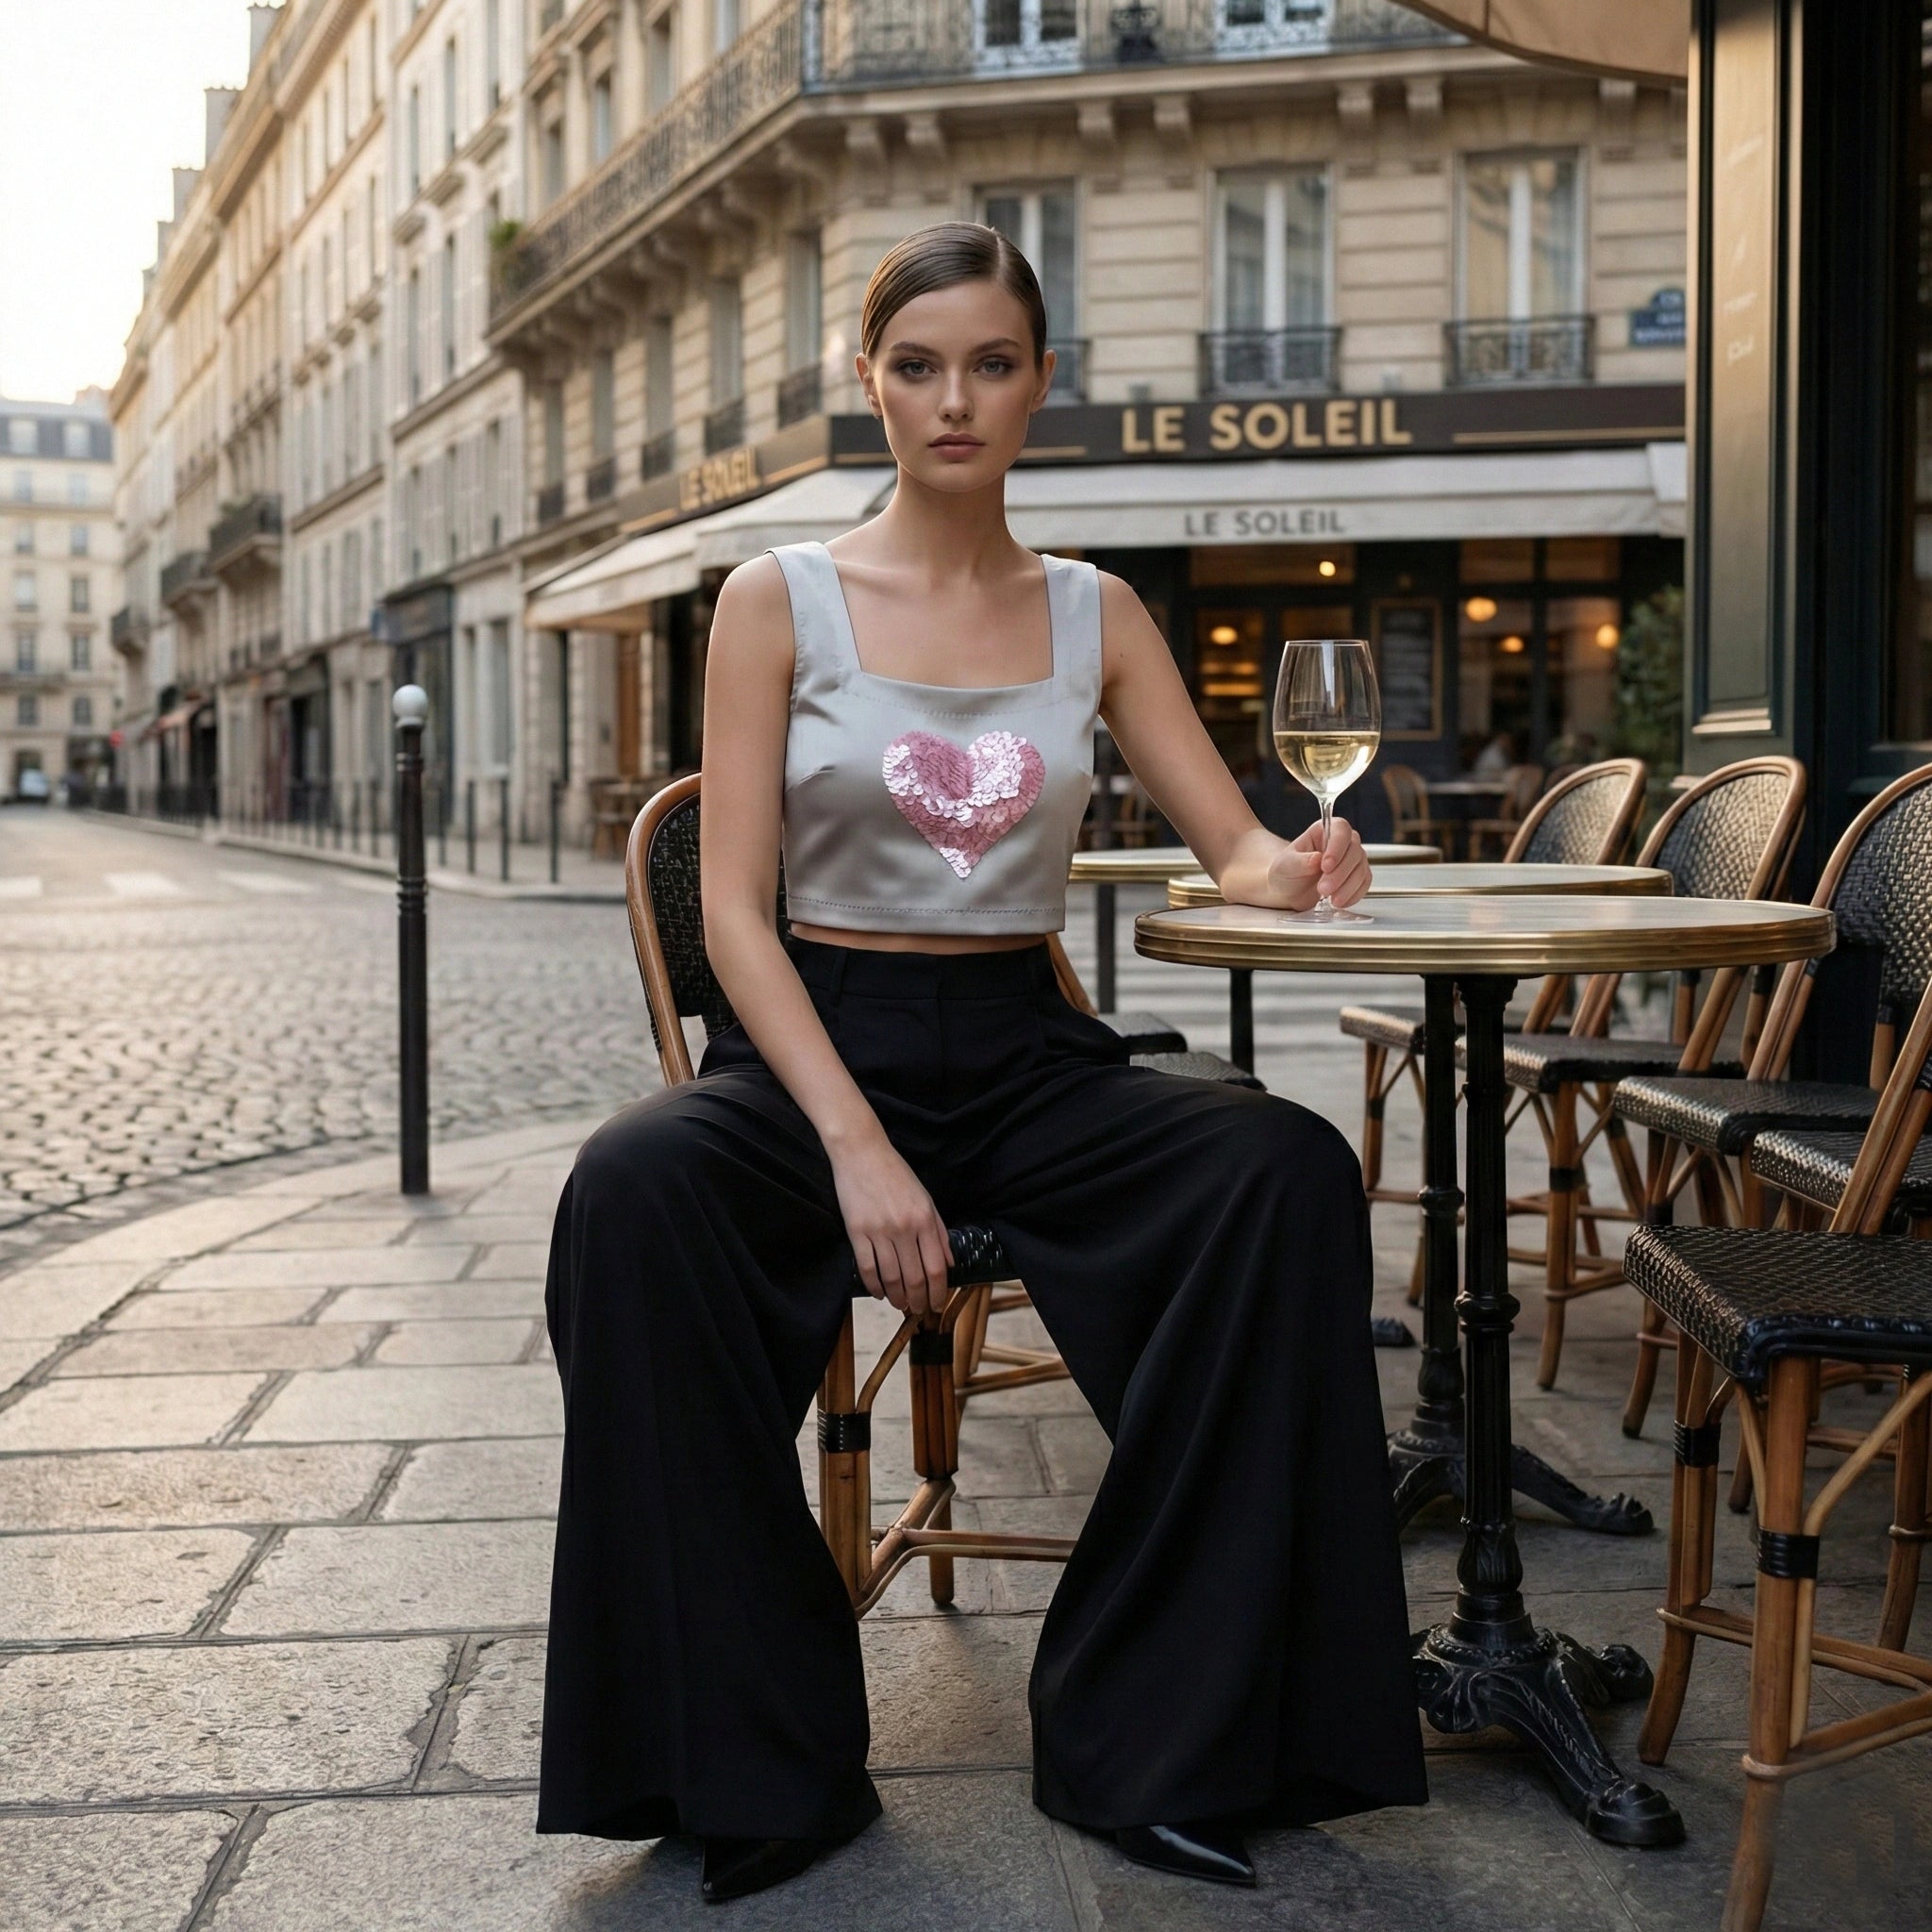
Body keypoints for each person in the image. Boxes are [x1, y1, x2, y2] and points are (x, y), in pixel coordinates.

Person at [539, 222, 1427, 1904]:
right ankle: (756, 1760)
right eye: (920, 364)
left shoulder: (1095, 610)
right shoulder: (773, 600)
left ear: (1039, 385)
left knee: (1284, 1174)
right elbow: (731, 916)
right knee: (631, 1194)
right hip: (818, 1039)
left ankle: (1155, 1740)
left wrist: (1297, 864)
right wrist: (859, 1147)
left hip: (1027, 1056)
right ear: (870, 382)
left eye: (994, 364)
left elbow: (1226, 844)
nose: (957, 399)